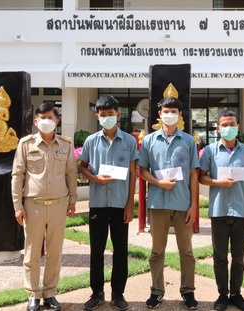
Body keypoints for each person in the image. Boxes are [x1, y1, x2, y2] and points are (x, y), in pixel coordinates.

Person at [11, 103, 78, 311]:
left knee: (55, 252)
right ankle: (33, 294)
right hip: (33, 205)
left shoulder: (65, 145)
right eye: (41, 117)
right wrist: (17, 205)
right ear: (35, 121)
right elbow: (17, 175)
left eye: (50, 116)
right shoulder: (25, 143)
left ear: (56, 121)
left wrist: (73, 200)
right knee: (31, 253)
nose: (46, 120)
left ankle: (50, 293)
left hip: (59, 205)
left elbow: (71, 174)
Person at [138, 96, 200, 310]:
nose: (169, 115)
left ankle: (188, 291)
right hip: (158, 203)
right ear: (159, 114)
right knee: (157, 251)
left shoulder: (189, 141)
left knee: (187, 251)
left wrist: (194, 205)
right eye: (166, 111)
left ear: (180, 115)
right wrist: (158, 182)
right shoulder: (149, 141)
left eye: (173, 111)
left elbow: (193, 174)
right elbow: (142, 170)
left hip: (183, 204)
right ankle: (156, 291)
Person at [78, 95, 138, 311]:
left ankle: (118, 293)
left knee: (121, 250)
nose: (107, 118)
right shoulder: (91, 141)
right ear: (97, 116)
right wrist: (94, 178)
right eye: (103, 115)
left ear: (118, 115)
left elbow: (133, 174)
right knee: (97, 249)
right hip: (98, 204)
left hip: (121, 204)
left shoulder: (129, 141)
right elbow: (82, 166)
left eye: (110, 114)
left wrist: (131, 205)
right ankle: (97, 292)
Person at [198, 110, 244, 311]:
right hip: (219, 210)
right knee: (220, 256)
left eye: (232, 124)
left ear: (238, 126)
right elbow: (201, 177)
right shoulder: (209, 151)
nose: (229, 128)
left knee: (239, 258)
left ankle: (236, 294)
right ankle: (222, 294)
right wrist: (217, 182)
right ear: (218, 128)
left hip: (241, 210)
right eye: (224, 125)